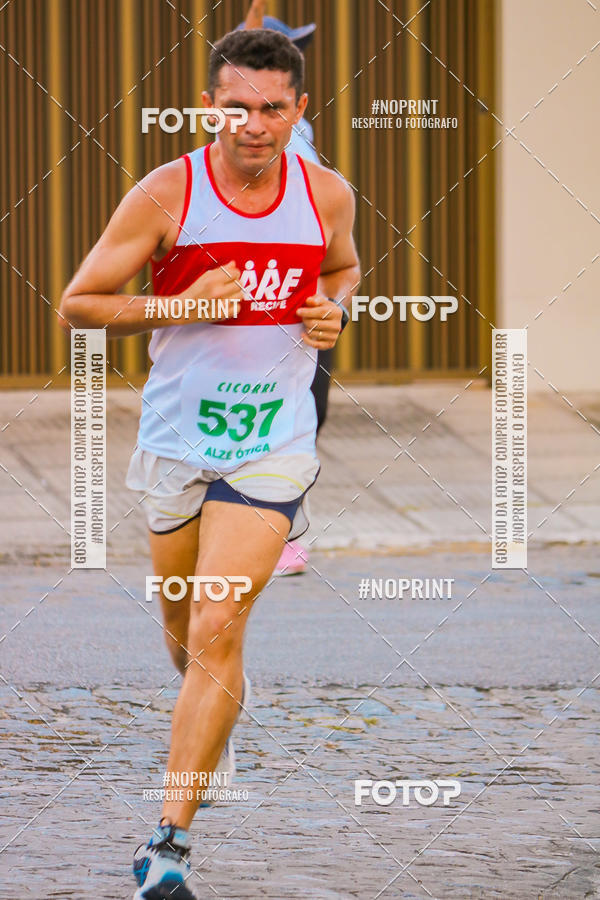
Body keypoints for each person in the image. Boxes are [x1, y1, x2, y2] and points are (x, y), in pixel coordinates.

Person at [60, 27, 359, 900]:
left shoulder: (327, 192)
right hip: (176, 446)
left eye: (272, 108)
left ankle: (167, 845)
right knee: (185, 637)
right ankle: (213, 698)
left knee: (217, 630)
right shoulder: (167, 194)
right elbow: (80, 303)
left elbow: (340, 270)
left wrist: (333, 311)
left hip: (274, 444)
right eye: (237, 106)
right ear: (209, 106)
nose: (254, 124)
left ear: (298, 111)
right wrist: (175, 302)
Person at [240, 0, 335, 577]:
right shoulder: (248, 128)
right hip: (262, 302)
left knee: (305, 416)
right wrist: (244, 41)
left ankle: (279, 531)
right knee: (266, 413)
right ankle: (258, 534)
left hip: (305, 301)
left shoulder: (300, 128)